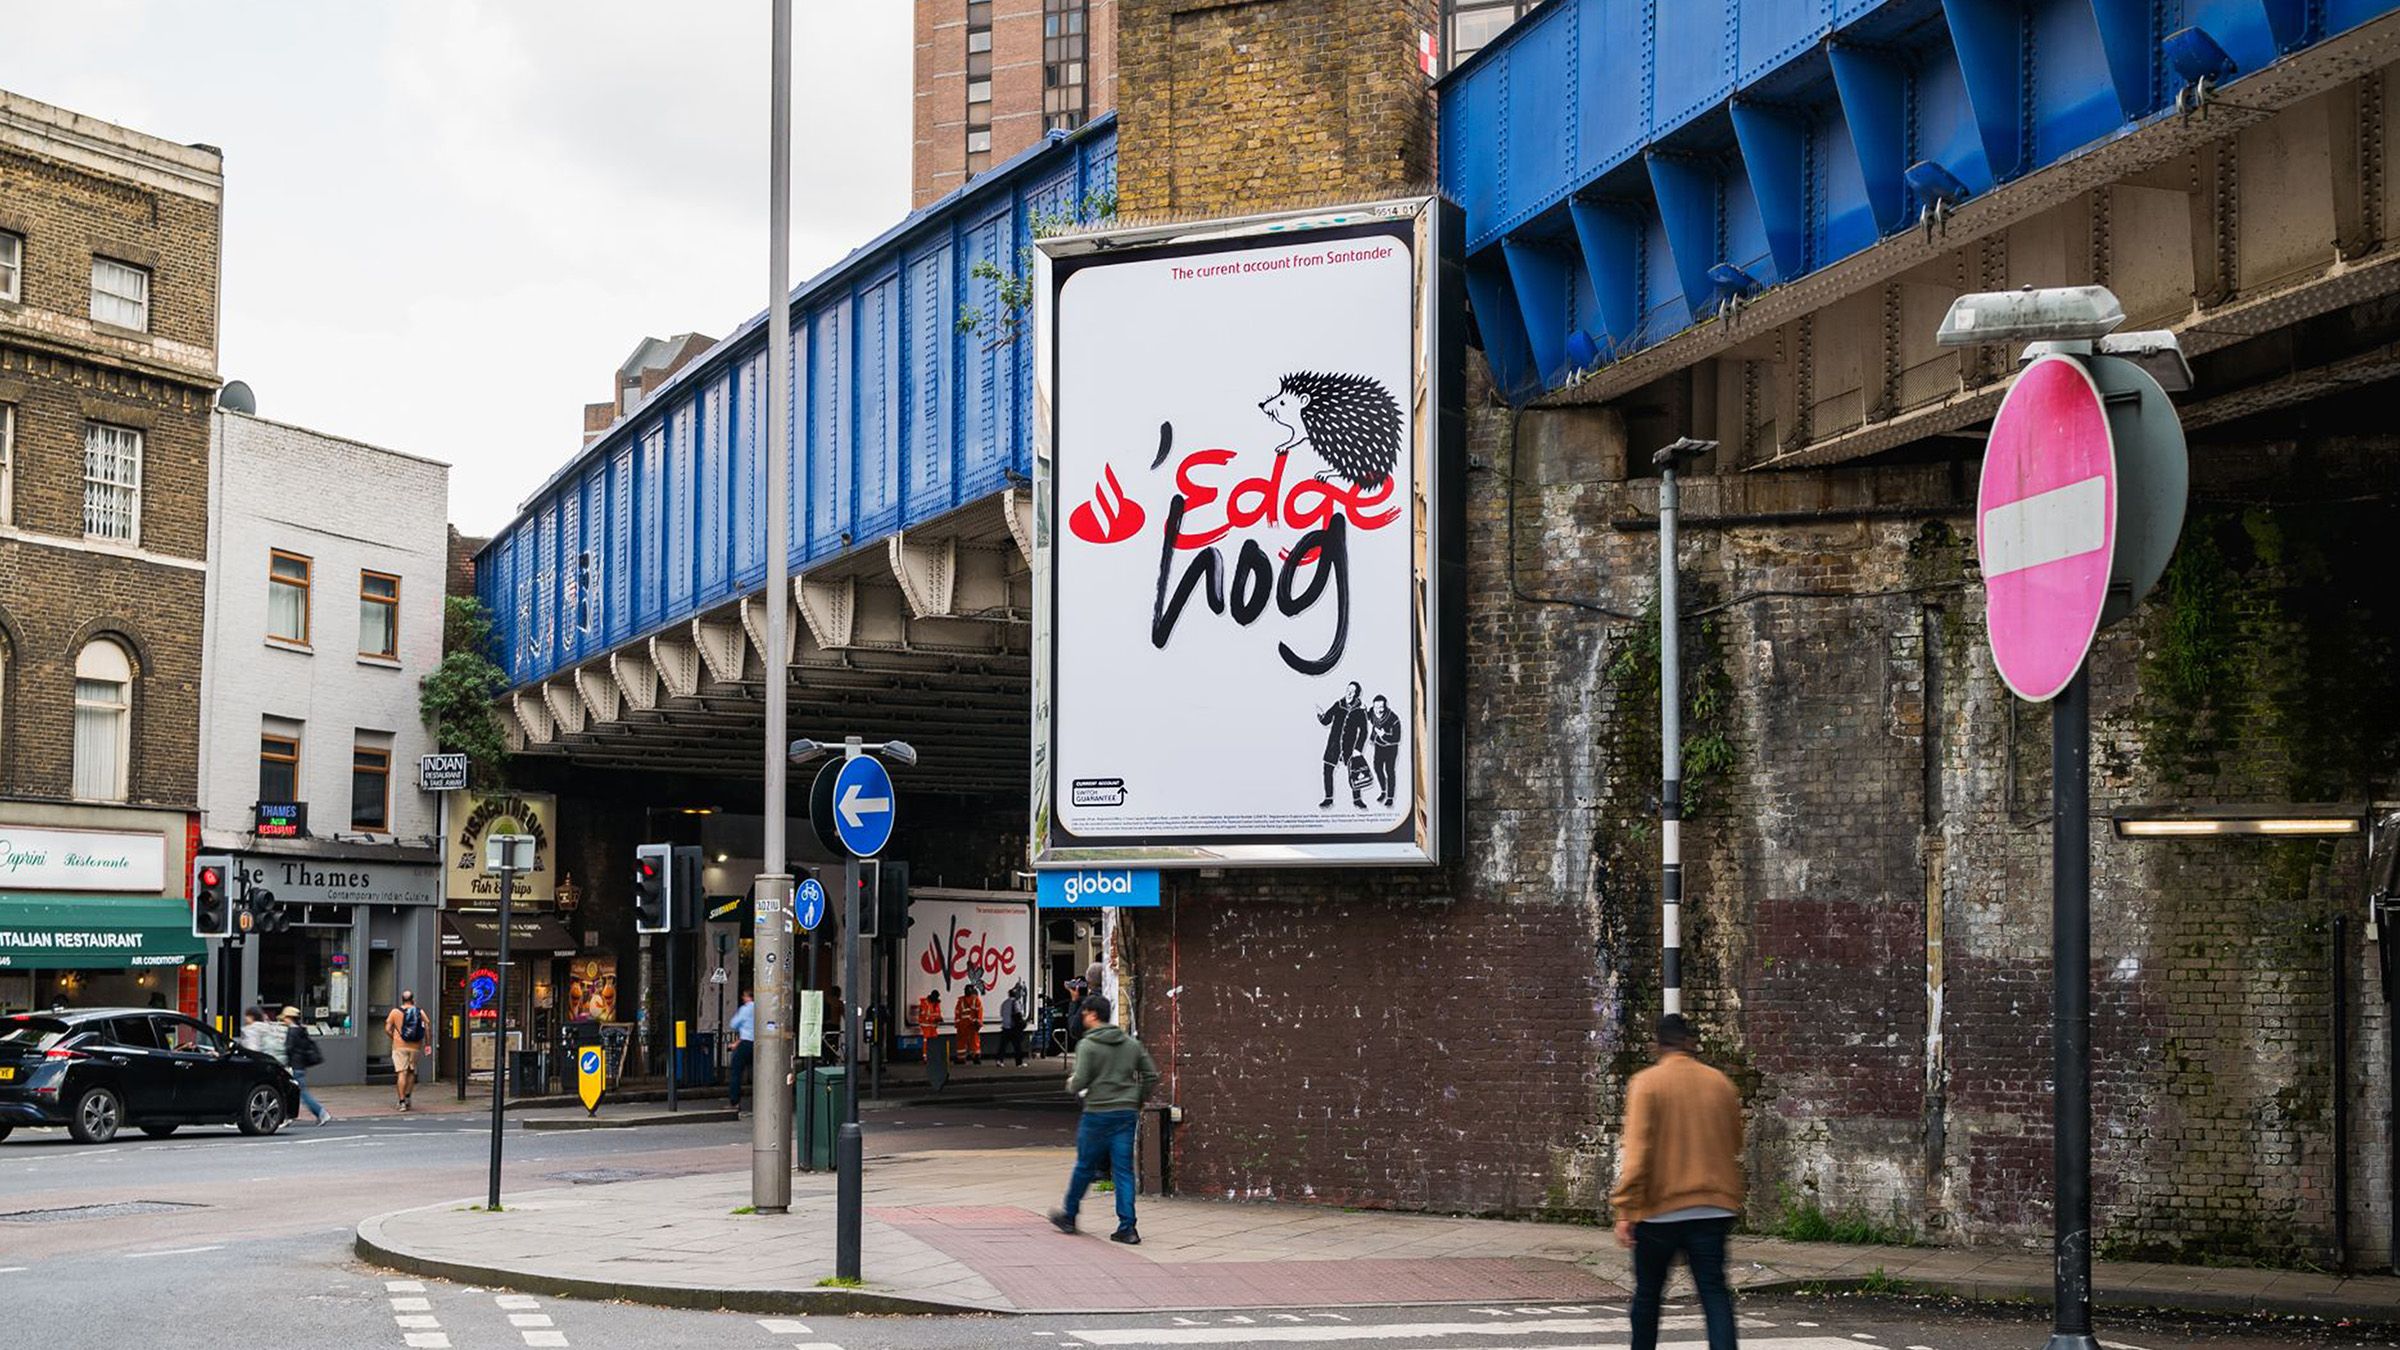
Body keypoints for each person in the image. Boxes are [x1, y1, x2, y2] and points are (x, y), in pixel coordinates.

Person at [1611, 1013, 1745, 1350]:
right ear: (1690, 1043)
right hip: (1713, 1208)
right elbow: (1735, 1141)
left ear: (1658, 1045)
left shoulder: (1646, 1083)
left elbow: (1637, 1154)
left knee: (1648, 1296)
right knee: (1714, 1293)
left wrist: (1625, 1210)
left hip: (1659, 1212)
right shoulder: (1720, 1083)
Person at [1048, 995, 1159, 1245]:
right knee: (1123, 1171)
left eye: (1084, 1013)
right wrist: (1137, 1099)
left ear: (1093, 1015)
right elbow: (1151, 1075)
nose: (1083, 1017)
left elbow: (1080, 1081)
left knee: (1084, 1166)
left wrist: (1071, 1084)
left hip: (1097, 1113)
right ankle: (1127, 1227)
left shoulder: (1087, 1045)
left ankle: (1069, 1216)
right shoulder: (1130, 1044)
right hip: (1126, 1113)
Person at [1317, 682, 1369, 810]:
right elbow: (1326, 721)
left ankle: (1357, 800)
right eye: (1348, 690)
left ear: (1356, 694)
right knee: (1327, 770)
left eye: (1352, 691)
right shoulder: (1338, 704)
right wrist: (1320, 715)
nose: (1349, 693)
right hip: (1334, 745)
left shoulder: (1360, 710)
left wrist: (1358, 749)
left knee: (1355, 772)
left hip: (1350, 746)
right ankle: (1328, 798)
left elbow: (1364, 731)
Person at [281, 1006, 333, 1125]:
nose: (284, 1020)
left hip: (294, 1066)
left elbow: (289, 1049)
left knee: (301, 1093)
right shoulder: (301, 1030)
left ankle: (321, 1112)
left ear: (289, 1018)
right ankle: (287, 1116)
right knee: (294, 1092)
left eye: (285, 1018)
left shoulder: (292, 1031)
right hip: (301, 1066)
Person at [384, 991, 431, 1112]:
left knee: (402, 1073)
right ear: (413, 999)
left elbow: (387, 1029)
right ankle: (408, 1097)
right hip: (415, 1046)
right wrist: (427, 1044)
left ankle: (402, 1102)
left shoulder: (395, 1012)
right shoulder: (419, 1011)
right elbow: (427, 1026)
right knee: (411, 1072)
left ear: (402, 999)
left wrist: (395, 1038)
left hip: (399, 1047)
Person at [1367, 693, 1402, 807]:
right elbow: (1369, 718)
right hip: (1378, 747)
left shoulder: (1394, 719)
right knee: (1377, 768)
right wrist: (1373, 738)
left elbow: (1397, 738)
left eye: (1381, 707)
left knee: (1389, 771)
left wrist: (1383, 735)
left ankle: (1390, 797)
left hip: (1391, 749)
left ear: (1385, 707)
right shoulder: (1372, 713)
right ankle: (1383, 791)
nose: (1378, 710)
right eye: (1376, 707)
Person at [726, 990, 757, 1115]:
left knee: (736, 1073)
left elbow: (734, 1024)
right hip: (759, 1043)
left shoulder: (746, 1009)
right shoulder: (762, 1008)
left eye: (744, 996)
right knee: (758, 1073)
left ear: (748, 997)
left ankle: (735, 1102)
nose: (743, 998)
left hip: (746, 1042)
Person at [998, 980, 1029, 1066]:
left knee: (1003, 1046)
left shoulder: (1004, 1003)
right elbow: (1018, 1014)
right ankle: (1019, 1063)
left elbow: (1002, 1014)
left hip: (1005, 1027)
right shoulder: (1015, 1002)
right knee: (1017, 1046)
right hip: (1013, 1028)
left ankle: (1000, 1061)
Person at [955, 983, 985, 1066]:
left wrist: (978, 1022)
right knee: (967, 1041)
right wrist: (978, 1022)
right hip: (966, 1024)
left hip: (970, 1024)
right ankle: (967, 1058)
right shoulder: (965, 1000)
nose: (966, 991)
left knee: (971, 1041)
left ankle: (972, 1057)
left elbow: (979, 1012)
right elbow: (957, 1013)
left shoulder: (971, 1000)